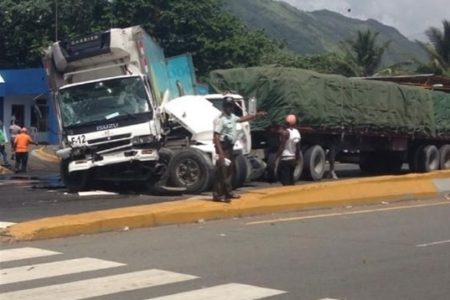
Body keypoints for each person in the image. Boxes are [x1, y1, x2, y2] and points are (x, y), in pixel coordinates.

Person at [213, 96, 266, 202]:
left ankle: (228, 193)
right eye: (227, 106)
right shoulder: (220, 119)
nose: (229, 108)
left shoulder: (232, 117)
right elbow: (216, 137)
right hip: (223, 148)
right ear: (224, 107)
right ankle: (218, 195)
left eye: (231, 106)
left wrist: (255, 115)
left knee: (229, 171)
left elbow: (242, 119)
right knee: (222, 171)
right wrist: (221, 154)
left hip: (230, 148)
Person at [276, 114, 301, 186]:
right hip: (293, 159)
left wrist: (276, 158)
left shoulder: (285, 133)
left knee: (285, 181)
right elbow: (298, 148)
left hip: (285, 159)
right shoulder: (297, 132)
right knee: (291, 179)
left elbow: (282, 147)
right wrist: (297, 159)